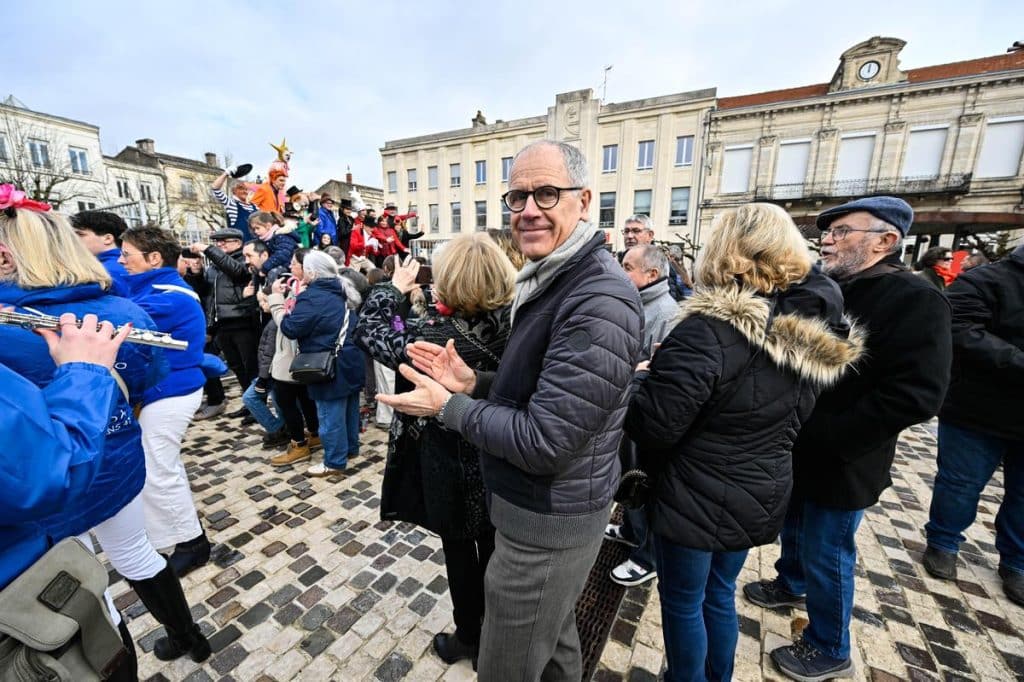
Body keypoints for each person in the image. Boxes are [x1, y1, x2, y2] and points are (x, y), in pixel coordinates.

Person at [379, 140, 642, 680]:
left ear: (584, 199)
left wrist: (447, 406)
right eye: (517, 196)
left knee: (506, 665)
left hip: (548, 518)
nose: (528, 209)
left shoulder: (598, 299)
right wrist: (473, 382)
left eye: (547, 193)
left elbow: (545, 439)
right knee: (557, 642)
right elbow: (541, 389)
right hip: (538, 511)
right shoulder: (557, 277)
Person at [625, 203, 864, 682]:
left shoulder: (709, 330)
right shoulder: (806, 330)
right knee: (718, 594)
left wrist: (639, 383)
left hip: (694, 492)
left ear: (726, 252)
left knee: (683, 601)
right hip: (760, 487)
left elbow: (654, 426)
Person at [743, 196, 952, 681]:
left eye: (842, 232)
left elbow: (919, 394)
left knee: (829, 549)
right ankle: (788, 581)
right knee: (795, 525)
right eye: (827, 232)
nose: (828, 240)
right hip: (802, 443)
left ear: (886, 240)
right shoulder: (831, 286)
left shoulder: (916, 298)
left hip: (846, 455)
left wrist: (835, 436)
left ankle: (829, 645)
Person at [0, 195, 211, 664]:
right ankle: (188, 636)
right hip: (114, 458)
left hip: (53, 483)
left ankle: (110, 658)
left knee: (73, 580)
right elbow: (149, 375)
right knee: (133, 550)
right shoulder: (121, 308)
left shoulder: (12, 327)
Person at [355, 237, 514, 666]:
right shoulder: (517, 323)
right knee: (497, 551)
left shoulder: (432, 338)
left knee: (460, 553)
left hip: (450, 459)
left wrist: (392, 287)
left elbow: (368, 331)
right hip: (500, 452)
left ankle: (471, 638)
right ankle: (496, 639)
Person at [922, 244, 1024, 606]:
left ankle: (1016, 561)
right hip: (977, 409)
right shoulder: (987, 279)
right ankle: (944, 542)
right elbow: (959, 329)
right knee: (960, 483)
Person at [120, 225, 212, 577]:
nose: (122, 261)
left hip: (171, 389)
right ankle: (176, 533)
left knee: (159, 467)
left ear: (154, 258)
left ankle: (191, 542)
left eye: (127, 255)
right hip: (162, 388)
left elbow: (118, 319)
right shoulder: (155, 288)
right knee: (159, 466)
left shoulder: (169, 295)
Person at [605, 243, 681, 588]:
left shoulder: (665, 313)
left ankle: (647, 556)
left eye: (627, 266)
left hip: (644, 413)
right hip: (627, 406)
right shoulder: (634, 303)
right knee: (628, 476)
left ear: (651, 274)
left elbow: (663, 374)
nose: (621, 272)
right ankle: (632, 530)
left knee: (643, 479)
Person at [271, 251, 364, 476]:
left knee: (330, 415)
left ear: (312, 272)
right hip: (350, 359)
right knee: (350, 409)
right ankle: (350, 449)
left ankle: (334, 462)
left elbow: (291, 329)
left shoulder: (313, 296)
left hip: (328, 364)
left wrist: (277, 304)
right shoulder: (342, 290)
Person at [186, 227, 259, 420]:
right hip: (221, 323)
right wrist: (197, 273)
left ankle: (257, 406)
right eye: (217, 242)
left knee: (249, 366)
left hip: (242, 321)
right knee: (236, 366)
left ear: (237, 242)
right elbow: (205, 291)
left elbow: (237, 272)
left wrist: (208, 249)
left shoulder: (243, 260)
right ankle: (248, 402)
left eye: (223, 241)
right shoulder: (214, 266)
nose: (219, 245)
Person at [70, 210, 132, 297]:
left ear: (108, 239)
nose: (73, 240)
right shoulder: (127, 265)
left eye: (80, 234)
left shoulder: (104, 272)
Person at [210, 167, 256, 241]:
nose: (245, 191)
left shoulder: (255, 207)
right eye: (241, 188)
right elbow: (215, 188)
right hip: (241, 248)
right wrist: (226, 173)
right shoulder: (231, 204)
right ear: (233, 191)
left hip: (257, 246)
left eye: (246, 189)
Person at [251, 210, 300, 277]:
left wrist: (265, 268)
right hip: (275, 264)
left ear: (268, 226)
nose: (255, 231)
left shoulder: (281, 236)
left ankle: (272, 287)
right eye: (254, 229)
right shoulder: (266, 239)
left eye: (257, 228)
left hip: (288, 266)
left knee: (273, 273)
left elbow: (282, 255)